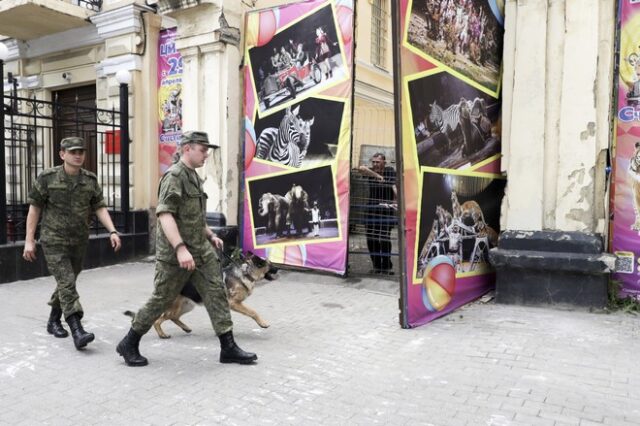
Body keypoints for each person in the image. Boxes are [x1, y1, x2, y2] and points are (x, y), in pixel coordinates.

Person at [116, 131, 257, 367]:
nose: (206, 154)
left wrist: (210, 235)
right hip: (175, 256)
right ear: (187, 149)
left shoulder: (193, 176)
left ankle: (228, 347)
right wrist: (181, 248)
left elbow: (194, 216)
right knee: (162, 299)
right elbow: (165, 214)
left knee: (216, 294)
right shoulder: (174, 177)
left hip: (200, 252)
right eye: (203, 149)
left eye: (207, 150)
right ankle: (129, 342)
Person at [23, 137, 122, 350]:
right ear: (62, 154)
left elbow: (99, 207)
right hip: (53, 240)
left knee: (67, 283)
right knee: (67, 282)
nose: (78, 155)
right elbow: (34, 209)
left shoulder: (89, 180)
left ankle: (53, 320)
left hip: (79, 240)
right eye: (73, 151)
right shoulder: (47, 178)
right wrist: (29, 240)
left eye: (81, 152)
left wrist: (112, 230)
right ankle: (77, 329)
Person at [357, 153, 397, 274]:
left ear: (384, 162)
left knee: (384, 238)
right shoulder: (370, 172)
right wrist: (377, 176)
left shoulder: (390, 171)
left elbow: (395, 187)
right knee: (371, 237)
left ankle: (386, 266)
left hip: (386, 210)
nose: (375, 164)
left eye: (378, 162)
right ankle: (376, 265)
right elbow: (361, 168)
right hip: (372, 209)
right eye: (373, 162)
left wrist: (396, 201)